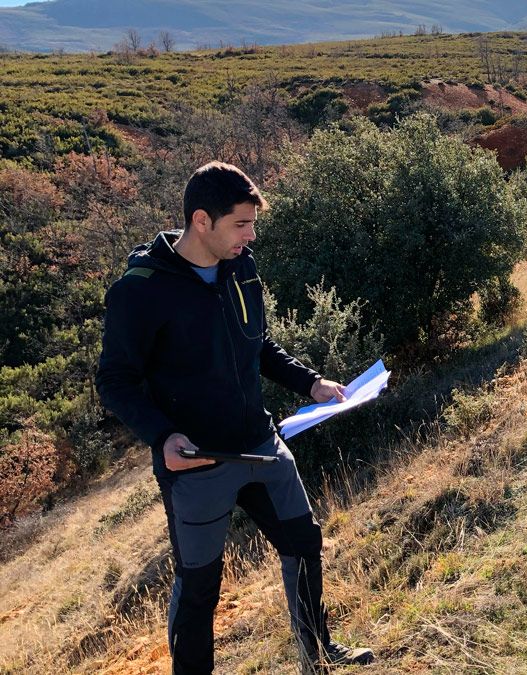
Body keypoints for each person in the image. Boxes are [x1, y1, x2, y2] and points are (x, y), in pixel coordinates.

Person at [95, 162, 374, 673]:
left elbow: (257, 344)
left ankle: (318, 655)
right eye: (240, 225)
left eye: (251, 225)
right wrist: (162, 438)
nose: (249, 236)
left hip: (262, 444)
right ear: (202, 220)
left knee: (305, 543)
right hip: (197, 463)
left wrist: (310, 382)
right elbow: (113, 382)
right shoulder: (140, 290)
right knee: (200, 584)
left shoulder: (240, 266)